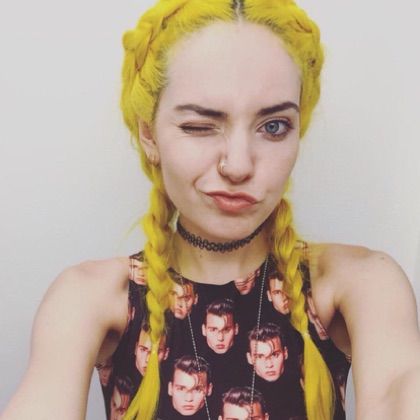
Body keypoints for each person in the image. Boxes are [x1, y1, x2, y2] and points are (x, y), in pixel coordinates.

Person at [2, 1, 420, 420]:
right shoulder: (89, 299)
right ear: (149, 134)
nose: (237, 165)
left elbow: (399, 392)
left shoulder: (357, 286)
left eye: (273, 126)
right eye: (200, 126)